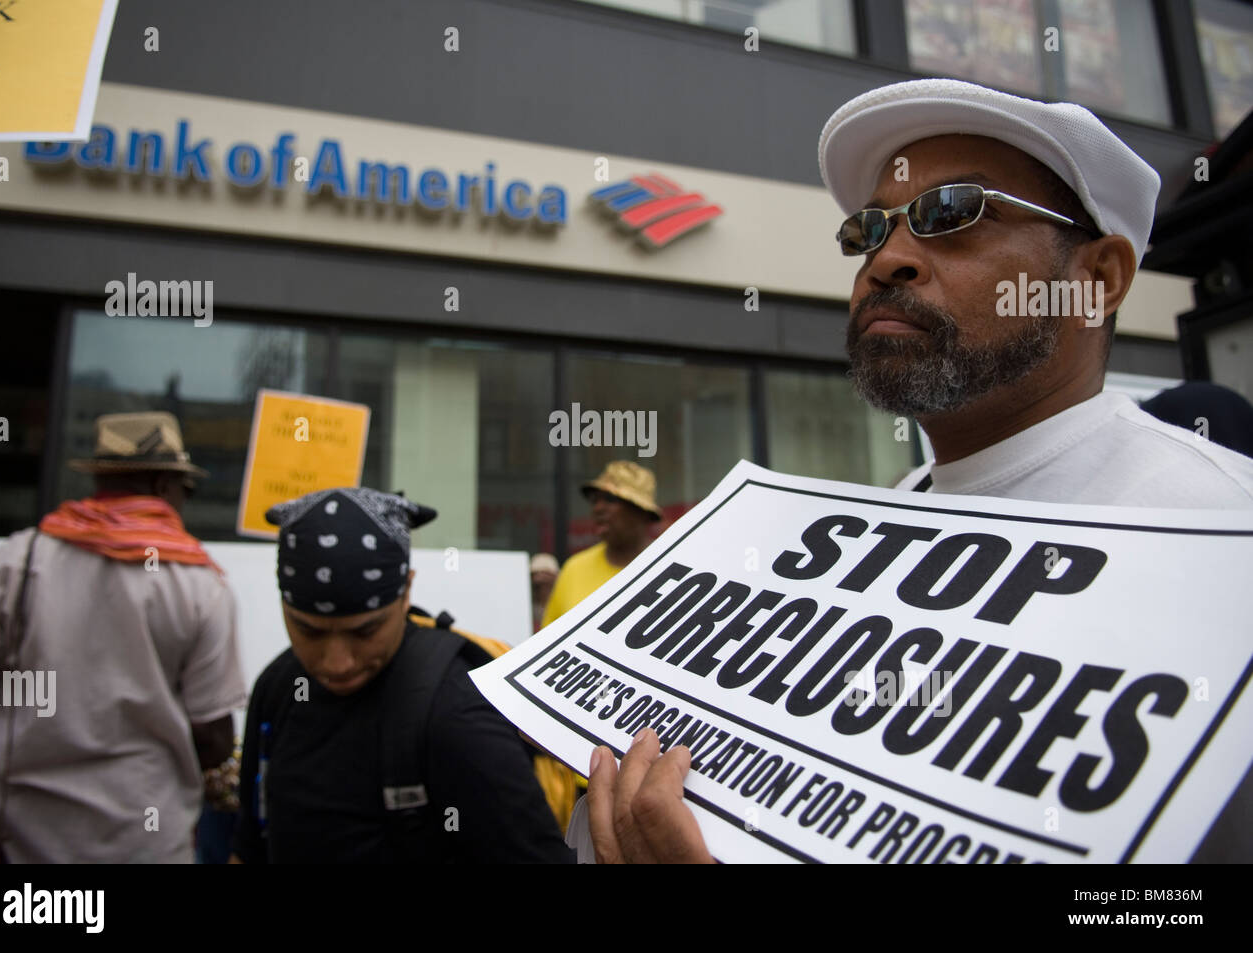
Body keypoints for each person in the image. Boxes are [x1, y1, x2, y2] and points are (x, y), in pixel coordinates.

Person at [583, 77, 1253, 863]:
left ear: (1097, 280)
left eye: (954, 212)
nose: (886, 260)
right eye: (869, 229)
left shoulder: (1224, 536)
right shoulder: (887, 518)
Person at [0, 411, 246, 862]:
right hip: (146, 836)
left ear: (100, 481)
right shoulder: (199, 583)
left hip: (23, 834)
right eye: (185, 490)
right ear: (165, 486)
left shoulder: (18, 560)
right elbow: (213, 740)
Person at [229, 486, 572, 863]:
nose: (337, 662)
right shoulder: (278, 689)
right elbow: (249, 846)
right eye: (309, 631)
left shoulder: (455, 714)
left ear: (406, 590)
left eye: (365, 632)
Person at [541, 461, 662, 629]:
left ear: (642, 512)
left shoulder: (668, 568)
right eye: (594, 500)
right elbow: (549, 639)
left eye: (611, 499)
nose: (598, 508)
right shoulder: (574, 568)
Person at [529, 552, 560, 632]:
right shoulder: (529, 604)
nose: (539, 578)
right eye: (535, 574)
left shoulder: (563, 600)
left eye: (545, 573)